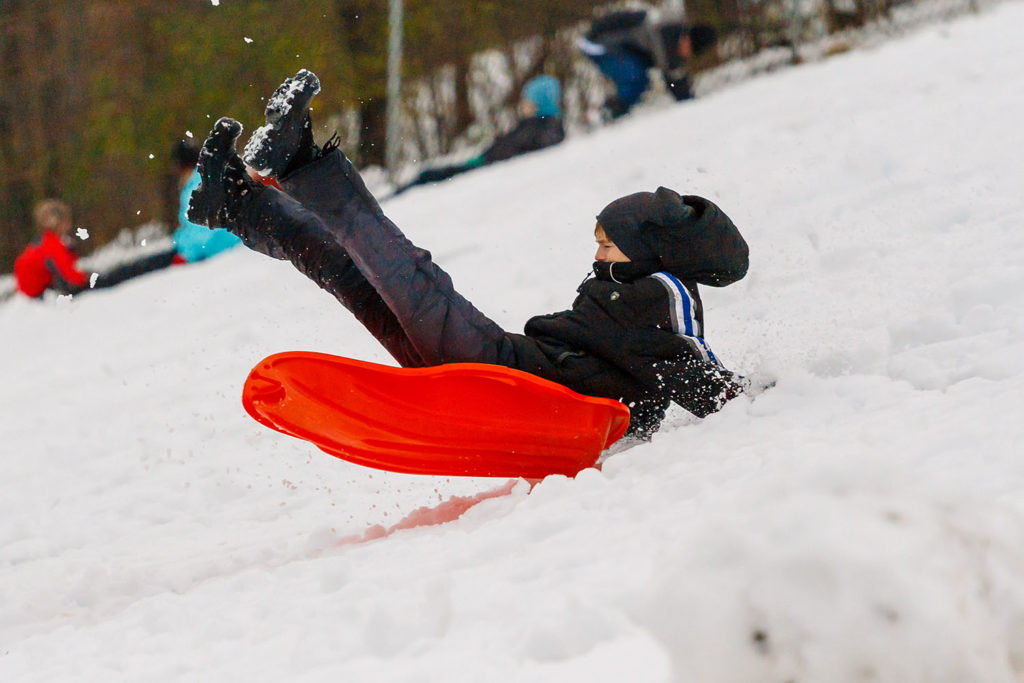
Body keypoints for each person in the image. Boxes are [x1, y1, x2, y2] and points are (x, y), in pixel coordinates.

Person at [189, 70, 751, 439]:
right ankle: (241, 205)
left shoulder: (664, 294)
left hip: (505, 377)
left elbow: (685, 360)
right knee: (356, 275)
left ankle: (300, 163)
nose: (598, 252)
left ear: (650, 252)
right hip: (502, 382)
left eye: (609, 242)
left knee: (405, 270)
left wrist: (743, 400)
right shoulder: (629, 283)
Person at [393, 75, 566, 194]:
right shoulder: (535, 125)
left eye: (527, 100)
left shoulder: (543, 128)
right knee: (429, 174)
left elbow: (520, 153)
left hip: (485, 167)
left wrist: (485, 159)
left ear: (539, 102)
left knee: (429, 176)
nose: (523, 104)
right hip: (483, 162)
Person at [577, 9, 717, 118]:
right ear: (686, 37)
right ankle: (608, 112)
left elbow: (675, 76)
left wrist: (688, 98)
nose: (686, 54)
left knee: (640, 78)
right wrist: (687, 100)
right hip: (598, 43)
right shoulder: (662, 37)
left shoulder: (675, 39)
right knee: (634, 76)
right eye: (689, 48)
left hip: (622, 48)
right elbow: (671, 75)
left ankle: (615, 109)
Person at [170, 140, 242, 261]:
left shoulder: (192, 191)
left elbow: (202, 238)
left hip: (220, 254)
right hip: (238, 241)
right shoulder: (219, 173)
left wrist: (184, 252)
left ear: (182, 167)